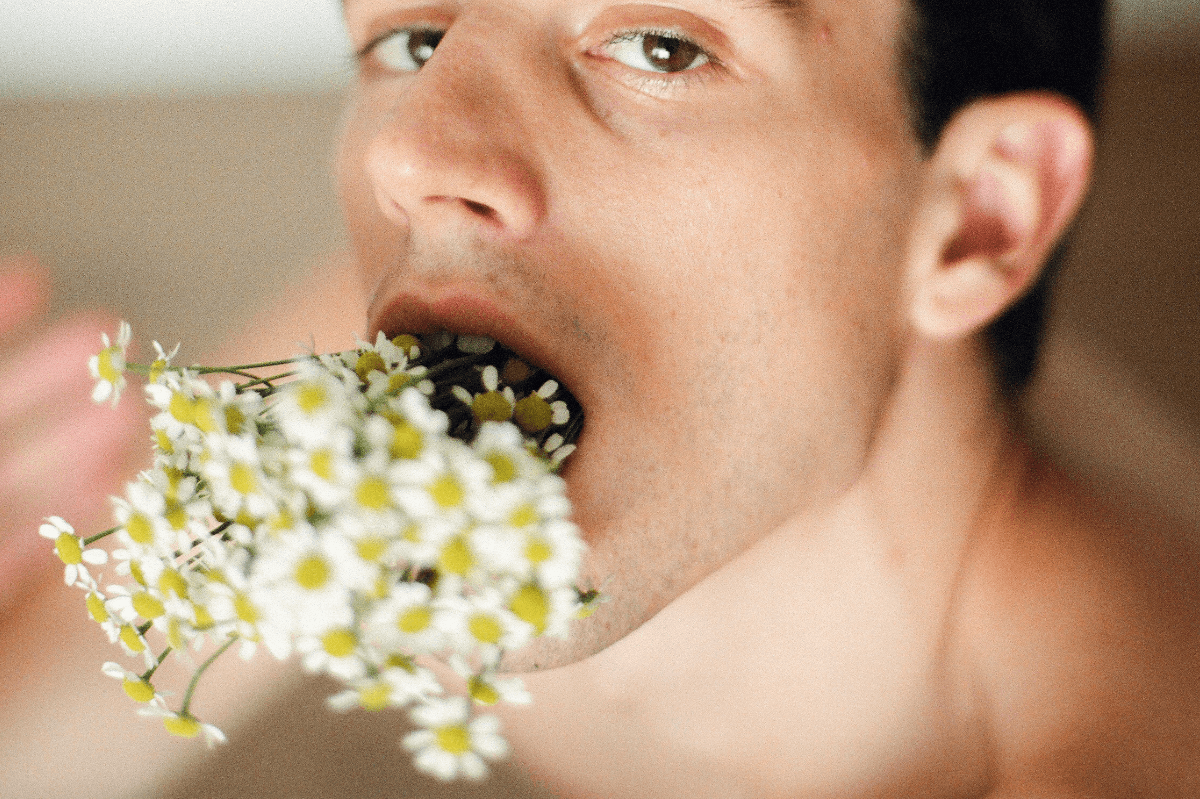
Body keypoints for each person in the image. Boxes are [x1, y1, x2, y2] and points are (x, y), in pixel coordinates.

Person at [2, 0, 1197, 796]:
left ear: (976, 218)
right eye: (415, 39)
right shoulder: (461, 363)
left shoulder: (1112, 734)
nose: (414, 160)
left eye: (665, 46)